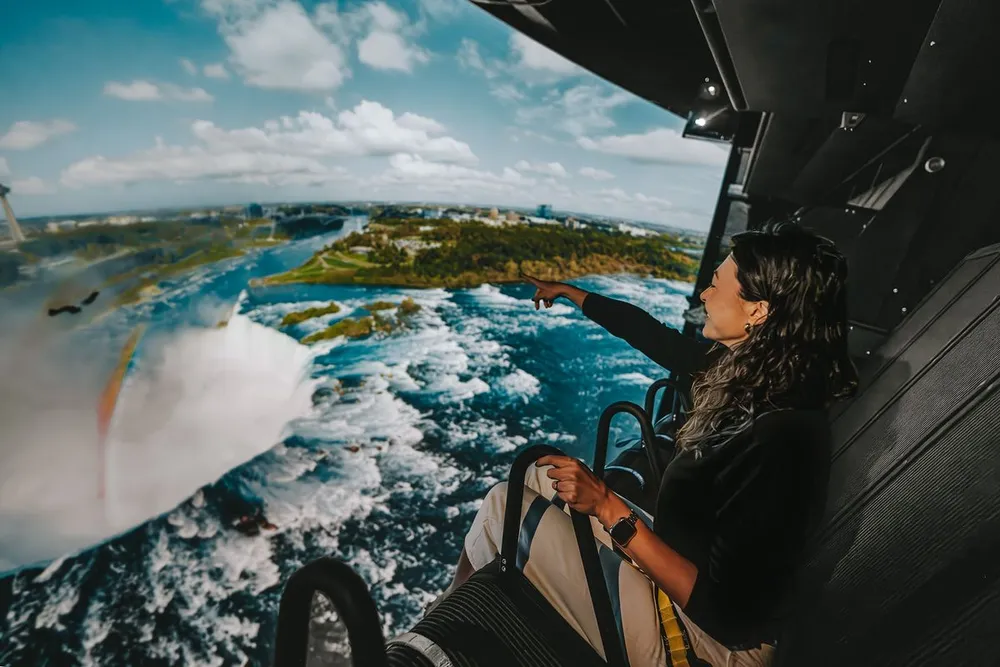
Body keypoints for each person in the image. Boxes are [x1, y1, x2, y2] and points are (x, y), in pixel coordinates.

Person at [428, 222, 859, 667]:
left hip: (713, 646)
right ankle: (450, 619)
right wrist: (571, 293)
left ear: (758, 310)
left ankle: (438, 644)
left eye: (715, 285)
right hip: (682, 572)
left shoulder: (780, 438)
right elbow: (650, 334)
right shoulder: (753, 376)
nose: (704, 295)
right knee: (540, 477)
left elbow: (728, 616)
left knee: (504, 507)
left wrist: (608, 507)